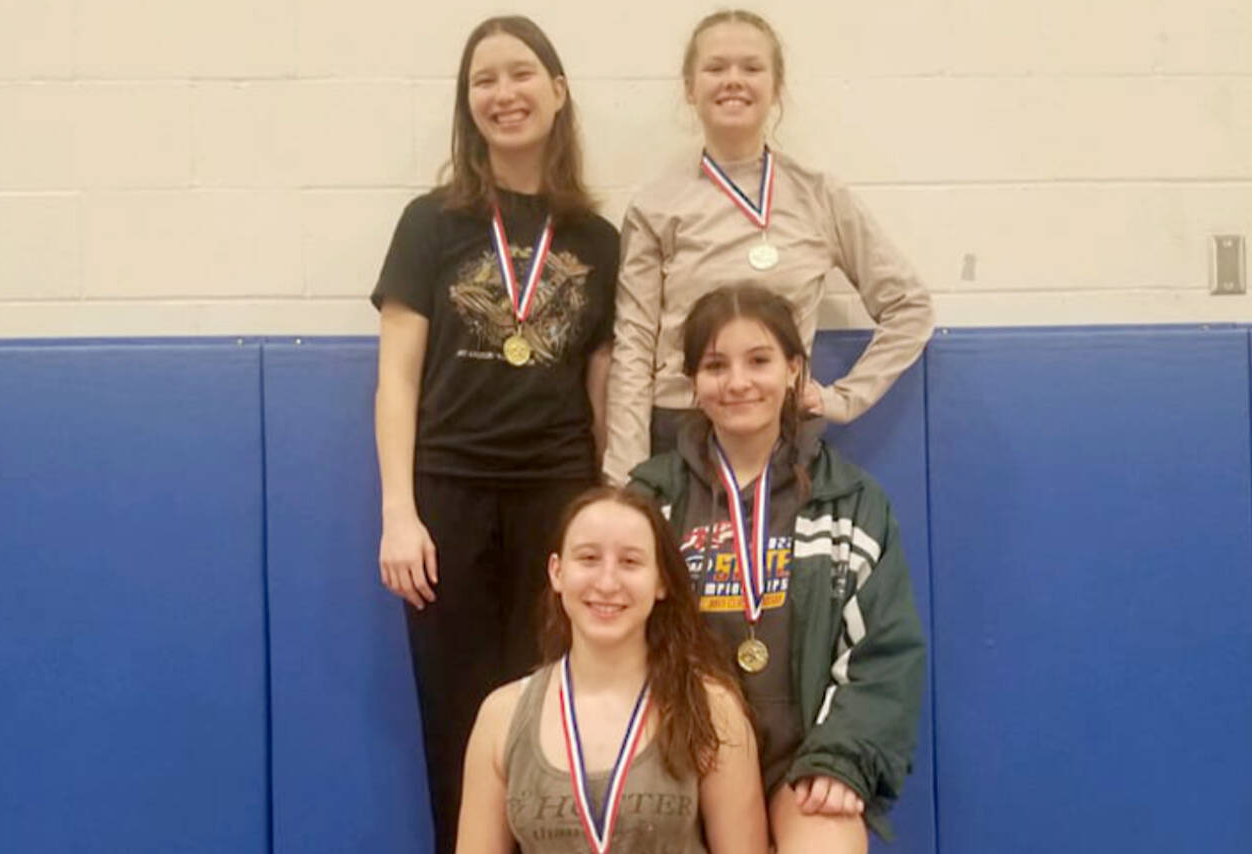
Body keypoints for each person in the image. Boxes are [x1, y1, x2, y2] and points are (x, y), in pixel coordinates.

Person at [370, 16, 619, 853]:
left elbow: (602, 393)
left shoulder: (598, 239)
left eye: (521, 75)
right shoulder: (429, 223)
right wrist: (399, 513)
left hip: (559, 497)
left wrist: (606, 517)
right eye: (484, 80)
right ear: (466, 103)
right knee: (458, 720)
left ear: (557, 92)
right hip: (448, 499)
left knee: (555, 717)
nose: (503, 94)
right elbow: (397, 378)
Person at [629, 285, 925, 853]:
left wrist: (841, 759)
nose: (738, 381)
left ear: (794, 369)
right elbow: (617, 639)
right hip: (683, 760)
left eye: (759, 360)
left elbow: (883, 653)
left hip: (804, 759)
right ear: (693, 381)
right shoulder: (651, 501)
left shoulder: (852, 502)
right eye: (716, 365)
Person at [603, 9, 934, 485]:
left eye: (751, 68)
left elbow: (910, 306)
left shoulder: (820, 195)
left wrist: (842, 398)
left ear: (776, 87)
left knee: (780, 561)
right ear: (689, 88)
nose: (733, 80)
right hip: (679, 430)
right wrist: (625, 479)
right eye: (716, 68)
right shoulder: (655, 205)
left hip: (781, 430)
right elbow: (633, 346)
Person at [456, 487, 768, 853]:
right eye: (588, 558)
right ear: (557, 572)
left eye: (630, 562)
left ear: (661, 582)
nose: (606, 583)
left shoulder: (713, 709)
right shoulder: (501, 717)